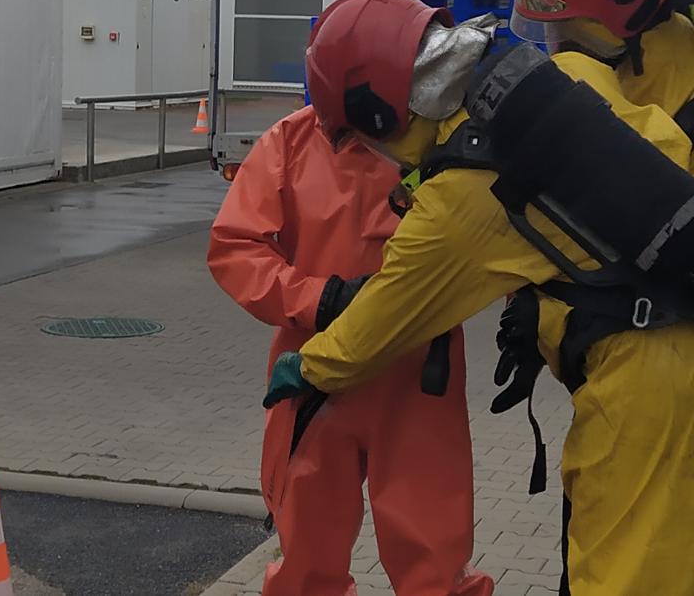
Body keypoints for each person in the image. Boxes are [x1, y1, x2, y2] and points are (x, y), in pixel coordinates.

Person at [265, 0, 694, 592]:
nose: (366, 150)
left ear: (380, 112)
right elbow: (663, 150)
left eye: (359, 135)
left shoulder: (458, 198)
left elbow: (385, 319)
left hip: (659, 397)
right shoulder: (562, 72)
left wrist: (311, 367)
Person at [209, 86, 494, 596]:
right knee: (308, 556)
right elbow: (235, 247)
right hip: (318, 374)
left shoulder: (447, 138)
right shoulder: (292, 142)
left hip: (411, 380)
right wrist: (321, 300)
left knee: (431, 558)